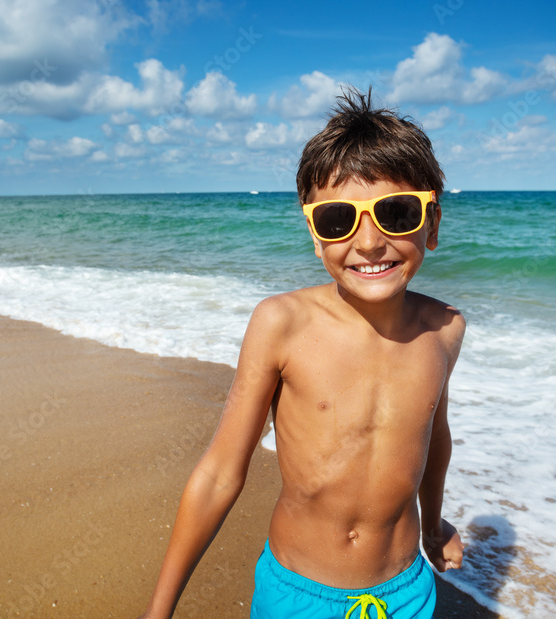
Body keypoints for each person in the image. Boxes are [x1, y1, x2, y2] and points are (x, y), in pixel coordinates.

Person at [141, 87, 465, 618]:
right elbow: (221, 472)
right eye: (338, 220)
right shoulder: (282, 324)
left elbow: (434, 436)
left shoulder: (445, 329)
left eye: (397, 213)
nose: (368, 242)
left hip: (407, 591)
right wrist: (159, 612)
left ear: (432, 224)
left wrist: (433, 528)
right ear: (316, 236)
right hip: (298, 594)